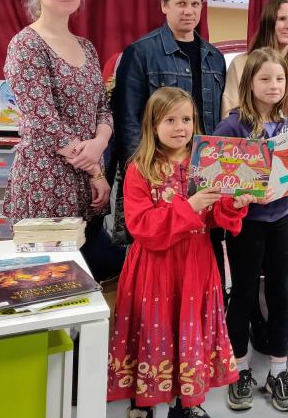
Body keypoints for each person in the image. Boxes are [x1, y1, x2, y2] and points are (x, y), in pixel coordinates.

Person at [107, 87, 253, 418]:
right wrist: (189, 207)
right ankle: (142, 401)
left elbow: (218, 216)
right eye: (170, 120)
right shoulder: (139, 168)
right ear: (152, 125)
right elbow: (140, 225)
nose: (180, 127)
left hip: (196, 264)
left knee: (188, 330)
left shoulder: (205, 163)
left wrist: (235, 204)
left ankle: (185, 401)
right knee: (153, 329)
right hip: (153, 268)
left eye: (186, 119)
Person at [218, 48, 288, 413]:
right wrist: (239, 193)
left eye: (280, 79)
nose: (274, 85)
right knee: (243, 295)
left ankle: (278, 369)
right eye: (265, 78)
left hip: (280, 222)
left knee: (280, 292)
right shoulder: (232, 126)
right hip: (246, 226)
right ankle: (240, 369)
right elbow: (214, 178)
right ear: (250, 83)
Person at [221, 0, 288, 351]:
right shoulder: (243, 63)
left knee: (282, 264)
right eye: (281, 18)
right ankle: (253, 323)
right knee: (247, 272)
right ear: (269, 21)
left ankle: (274, 330)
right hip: (251, 189)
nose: (287, 26)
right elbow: (231, 118)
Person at [3, 0, 115, 279]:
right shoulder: (26, 45)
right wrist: (95, 165)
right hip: (45, 181)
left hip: (86, 180)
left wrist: (101, 144)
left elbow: (102, 108)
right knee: (46, 280)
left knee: (82, 278)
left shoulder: (87, 47)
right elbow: (43, 121)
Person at [112, 0, 226, 262]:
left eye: (195, 4)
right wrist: (139, 172)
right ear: (164, 5)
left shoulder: (214, 57)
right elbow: (127, 120)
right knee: (157, 254)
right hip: (156, 175)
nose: (189, 11)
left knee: (202, 253)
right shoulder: (140, 53)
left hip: (201, 171)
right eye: (180, 3)